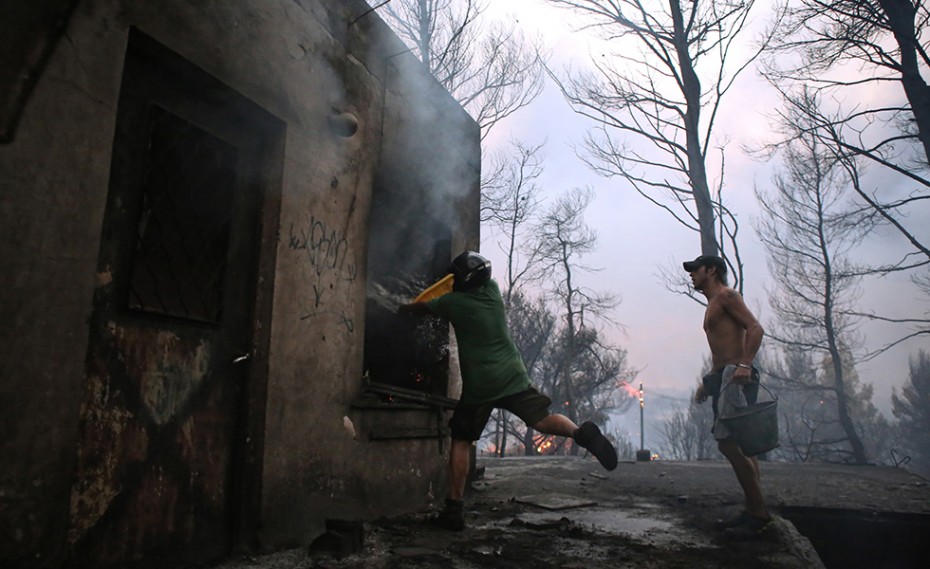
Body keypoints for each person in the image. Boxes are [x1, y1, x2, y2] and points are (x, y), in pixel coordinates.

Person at [399, 251, 618, 530]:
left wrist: (404, 308)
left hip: (481, 385)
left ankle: (453, 510)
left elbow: (424, 307)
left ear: (465, 280)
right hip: (513, 375)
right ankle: (580, 432)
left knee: (462, 439)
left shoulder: (454, 303)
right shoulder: (492, 292)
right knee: (540, 419)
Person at [683, 254, 773, 539]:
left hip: (736, 375)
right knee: (743, 445)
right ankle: (754, 511)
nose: (691, 275)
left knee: (727, 442)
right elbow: (720, 348)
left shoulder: (727, 296)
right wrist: (707, 382)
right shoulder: (713, 303)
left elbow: (755, 328)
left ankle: (759, 513)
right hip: (725, 377)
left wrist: (745, 364)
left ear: (711, 270)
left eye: (695, 270)